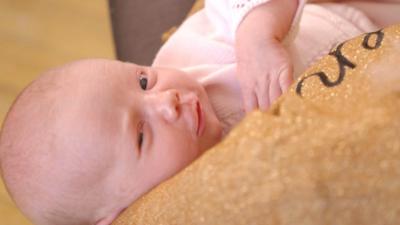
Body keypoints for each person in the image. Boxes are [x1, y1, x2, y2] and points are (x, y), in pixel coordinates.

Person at [0, 0, 399, 225]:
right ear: (120, 214)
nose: (166, 100)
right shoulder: (190, 206)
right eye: (141, 134)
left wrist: (256, 33)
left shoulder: (191, 55)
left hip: (353, 15)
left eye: (143, 81)